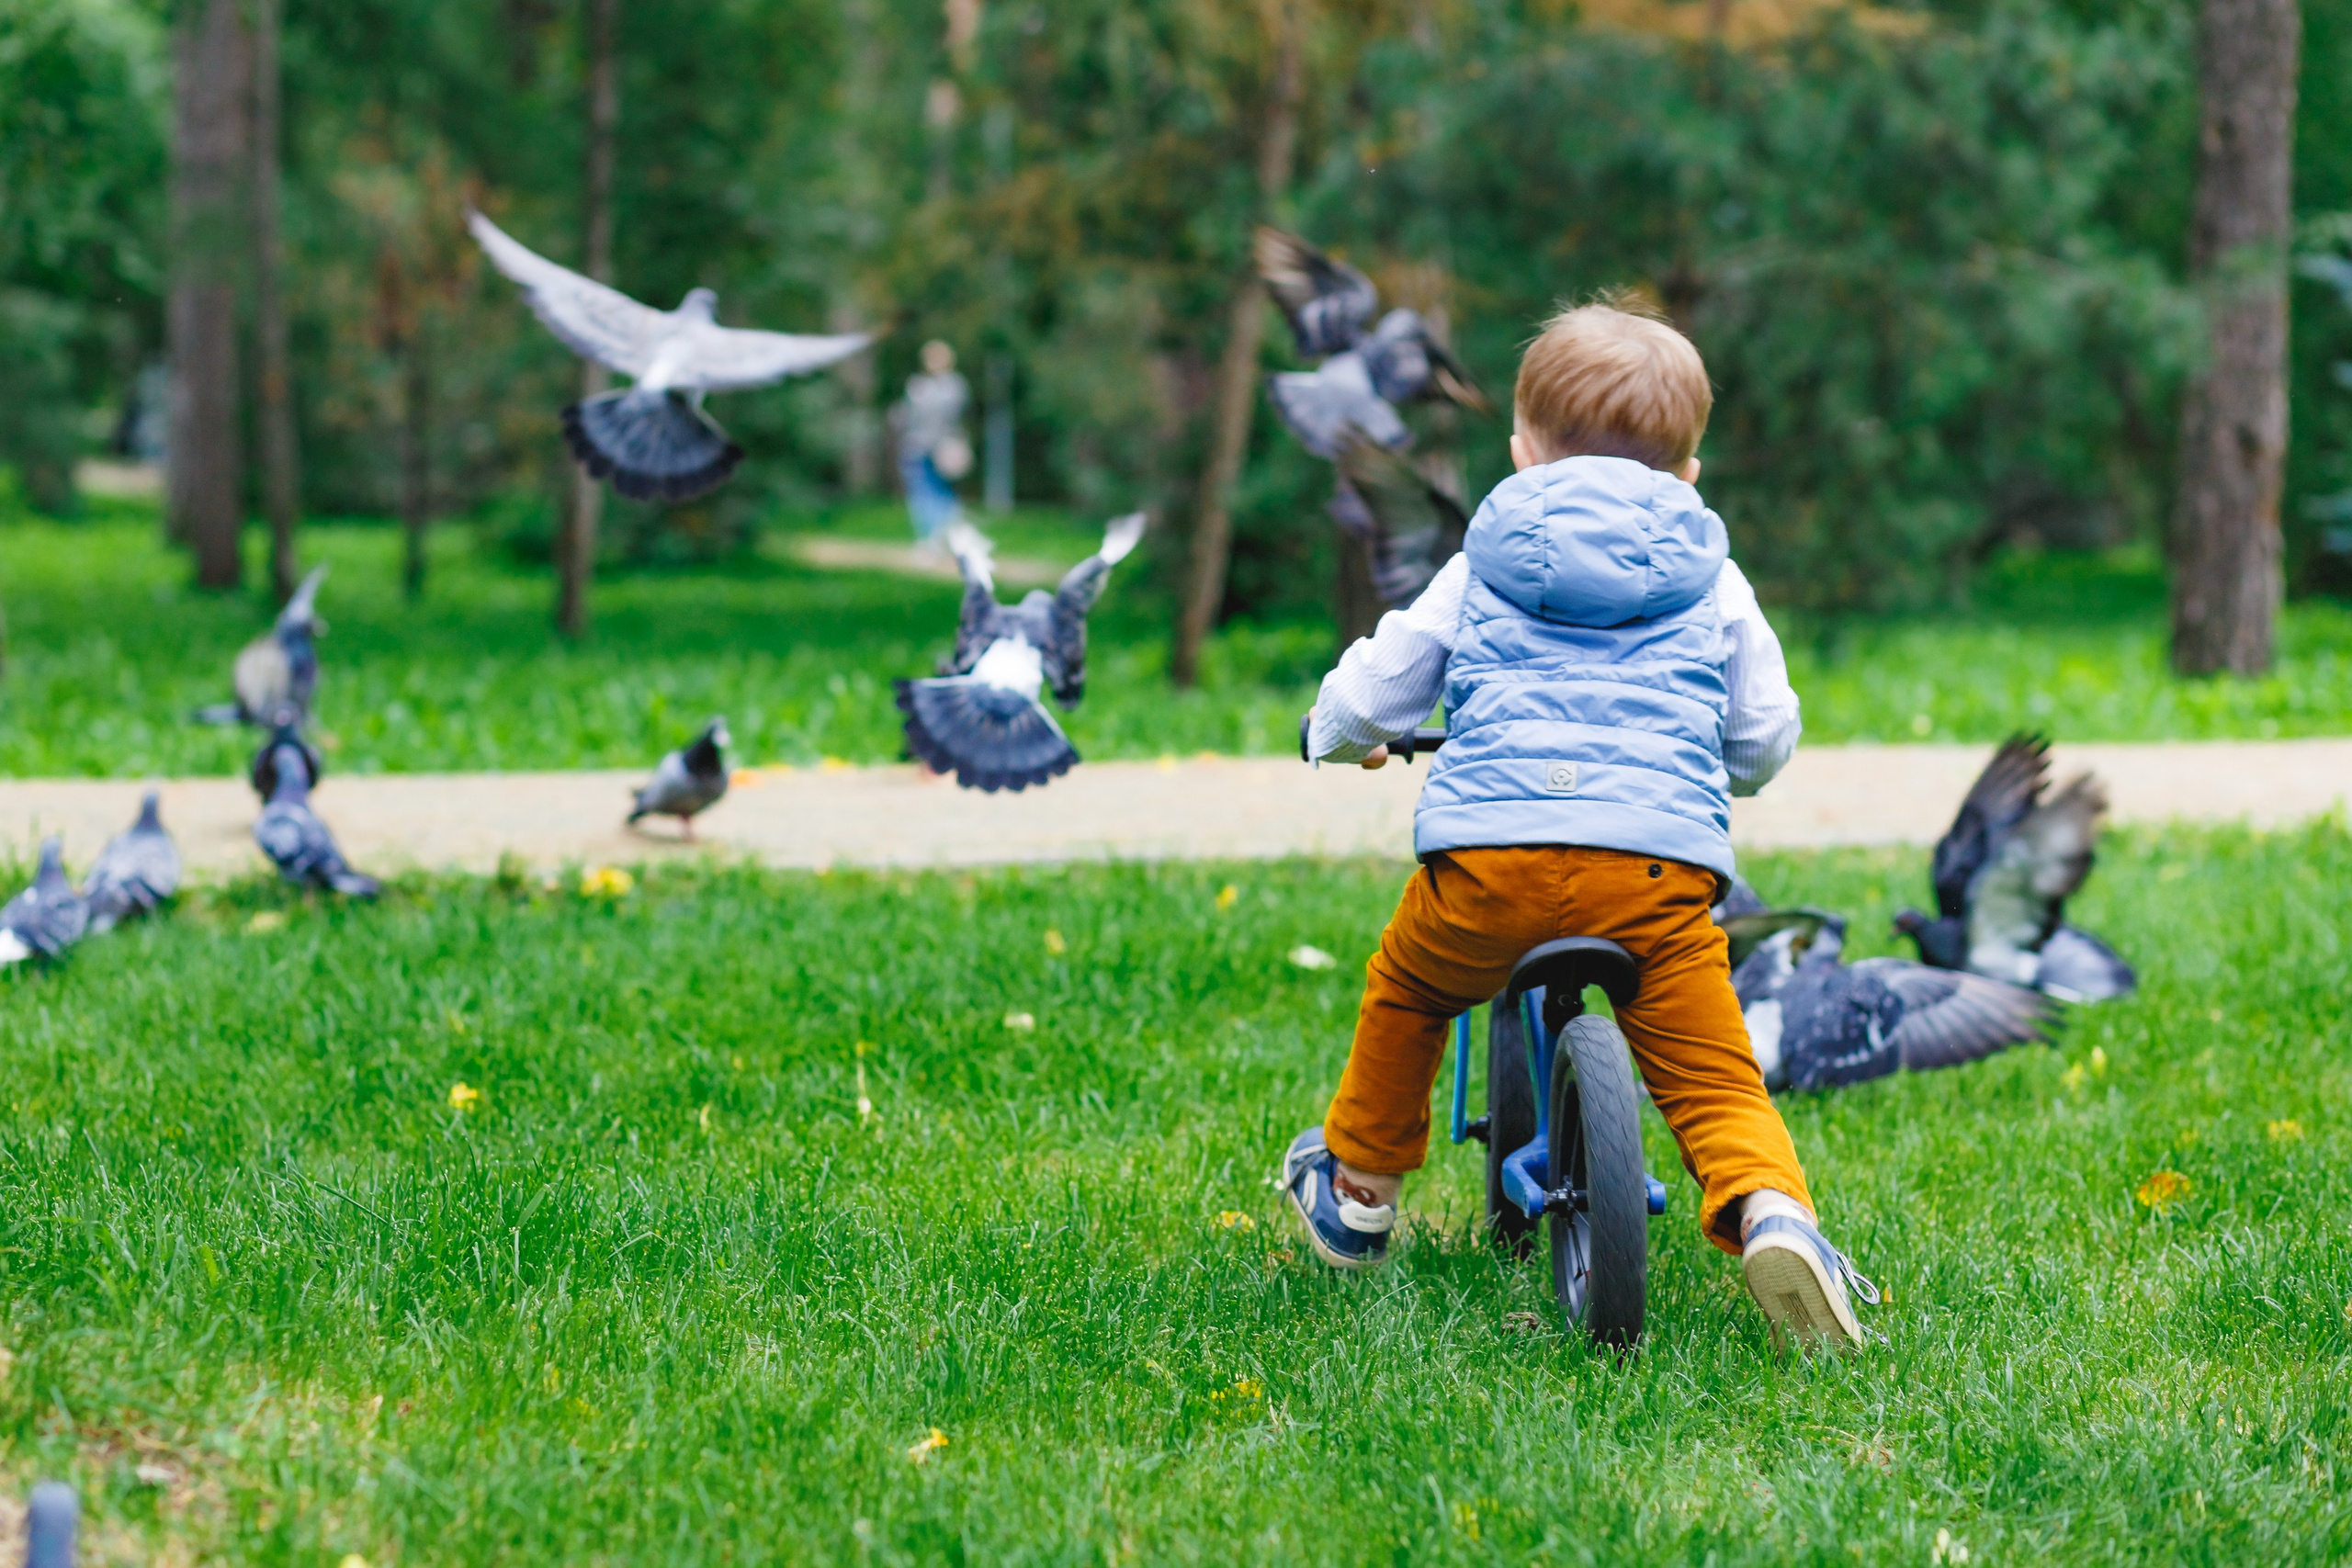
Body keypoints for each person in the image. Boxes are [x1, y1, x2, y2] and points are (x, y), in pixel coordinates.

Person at [1283, 298, 1877, 1349]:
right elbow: (1764, 736)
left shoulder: (1480, 564)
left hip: (1490, 867)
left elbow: (1379, 689)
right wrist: (1718, 765)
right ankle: (1774, 1215)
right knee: (1710, 1072)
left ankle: (1360, 1192)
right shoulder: (1717, 580)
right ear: (1688, 473)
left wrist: (1330, 735)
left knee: (1411, 987)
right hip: (1653, 878)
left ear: (1520, 454)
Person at [896, 339, 973, 549]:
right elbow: (907, 415)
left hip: (944, 448)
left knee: (943, 493)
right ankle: (929, 538)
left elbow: (952, 415)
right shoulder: (917, 385)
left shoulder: (954, 385)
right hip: (917, 447)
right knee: (921, 493)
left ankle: (947, 537)